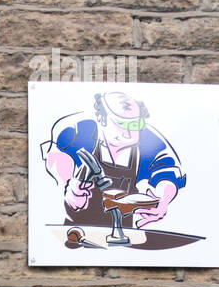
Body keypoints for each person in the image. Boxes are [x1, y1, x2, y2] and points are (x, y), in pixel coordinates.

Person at [42, 91, 185, 230]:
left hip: (125, 233)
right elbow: (57, 155)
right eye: (121, 124)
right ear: (102, 119)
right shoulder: (80, 129)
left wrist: (163, 199)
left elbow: (168, 172)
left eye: (135, 125)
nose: (129, 133)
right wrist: (68, 183)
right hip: (77, 230)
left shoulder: (151, 141)